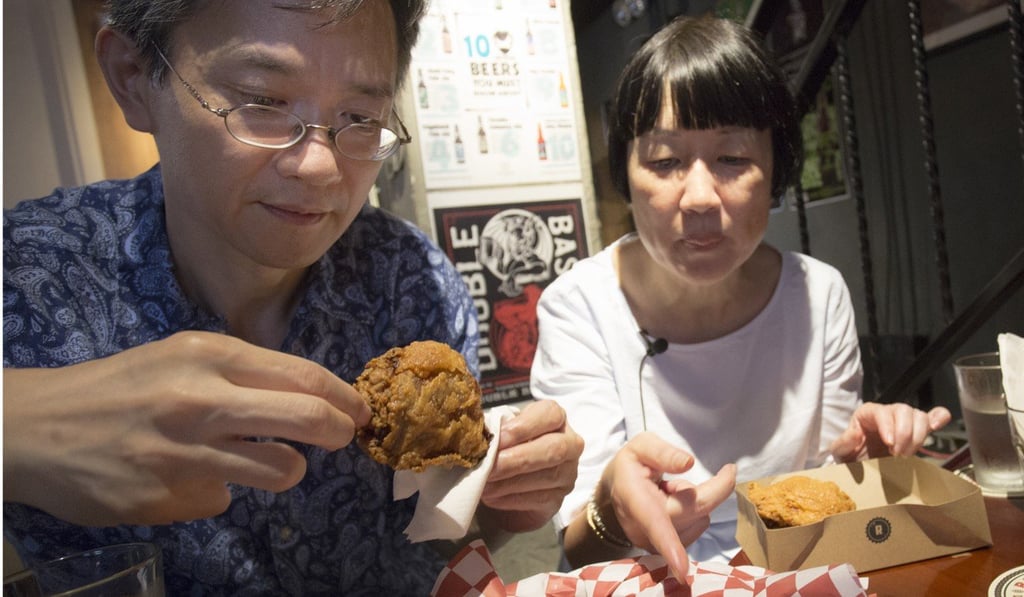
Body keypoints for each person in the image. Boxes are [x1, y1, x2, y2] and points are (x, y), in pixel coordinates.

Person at [3, 1, 583, 594]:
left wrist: (501, 502)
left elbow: (430, 539)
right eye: (263, 101)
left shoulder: (413, 283)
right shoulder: (28, 275)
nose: (319, 166)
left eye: (360, 115)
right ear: (133, 76)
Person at [529, 15, 951, 582]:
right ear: (625, 175)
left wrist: (867, 465)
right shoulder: (579, 306)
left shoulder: (818, 296)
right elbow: (581, 549)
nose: (700, 197)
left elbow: (824, 503)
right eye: (664, 161)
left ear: (775, 167)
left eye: (732, 159)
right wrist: (611, 509)